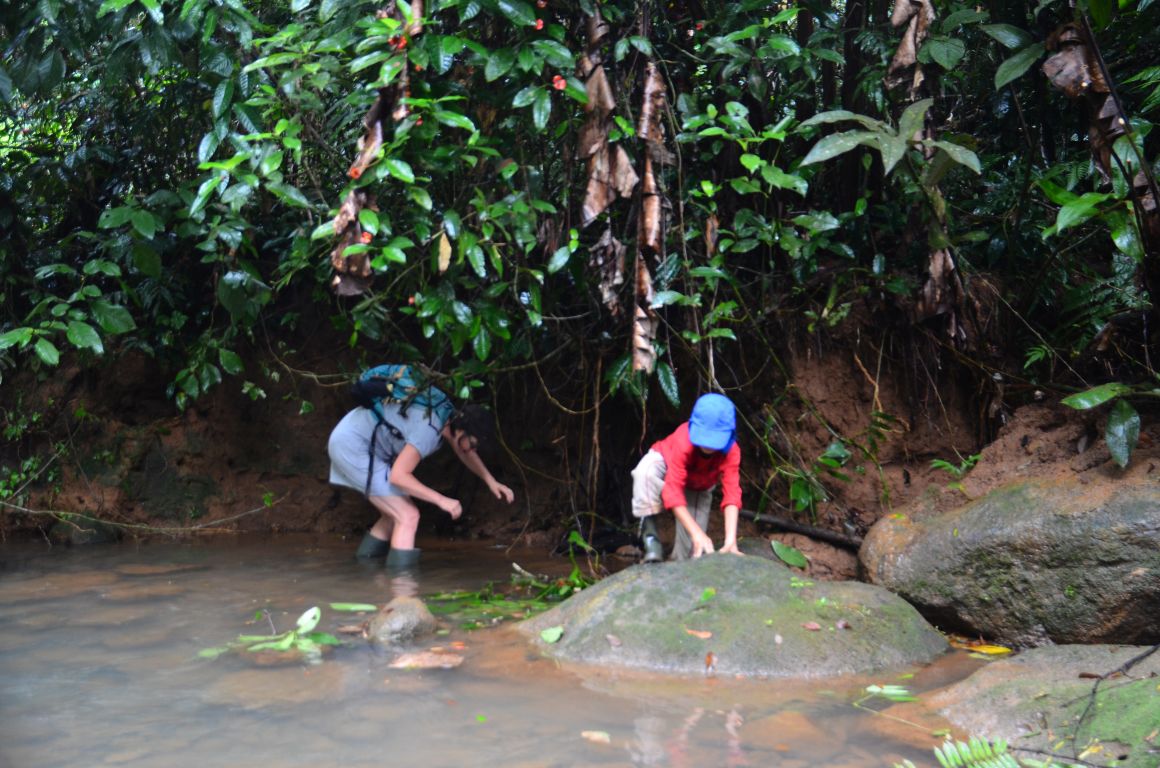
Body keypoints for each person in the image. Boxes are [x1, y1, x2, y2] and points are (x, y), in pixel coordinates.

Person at [328, 364, 514, 568]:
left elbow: (463, 450)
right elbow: (399, 476)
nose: (472, 450)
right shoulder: (429, 430)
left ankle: (364, 569)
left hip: (356, 440)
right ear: (461, 432)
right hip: (353, 446)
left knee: (394, 515)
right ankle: (402, 590)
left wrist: (491, 481)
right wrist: (441, 500)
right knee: (408, 516)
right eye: (473, 444)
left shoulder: (448, 414)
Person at [631, 393, 743, 562]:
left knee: (693, 552)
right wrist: (697, 532)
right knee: (645, 473)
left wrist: (730, 541)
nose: (708, 444)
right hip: (668, 465)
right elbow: (672, 491)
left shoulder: (732, 451)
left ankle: (673, 567)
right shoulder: (684, 440)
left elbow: (732, 493)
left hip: (698, 485)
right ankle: (651, 541)